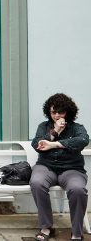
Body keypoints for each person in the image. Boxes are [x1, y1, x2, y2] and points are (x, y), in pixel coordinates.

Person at [30, 93, 89, 241]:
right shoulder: (43, 127)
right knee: (37, 182)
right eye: (53, 112)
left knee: (78, 189)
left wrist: (54, 144)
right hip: (46, 167)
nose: (56, 115)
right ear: (48, 112)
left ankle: (76, 233)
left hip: (72, 169)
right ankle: (46, 227)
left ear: (68, 112)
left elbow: (82, 140)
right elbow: (37, 145)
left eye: (60, 112)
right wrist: (55, 132)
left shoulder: (77, 128)